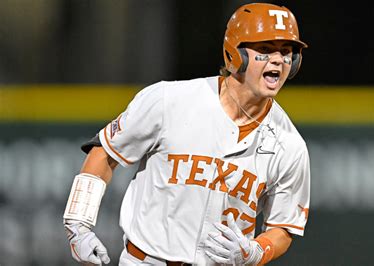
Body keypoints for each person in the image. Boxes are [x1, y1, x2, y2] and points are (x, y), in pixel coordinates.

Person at [63, 3, 310, 265]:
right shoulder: (169, 101)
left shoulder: (289, 145)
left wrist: (256, 252)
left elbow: (282, 228)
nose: (277, 60)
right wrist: (78, 225)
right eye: (264, 49)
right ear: (235, 55)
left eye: (287, 52)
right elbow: (104, 153)